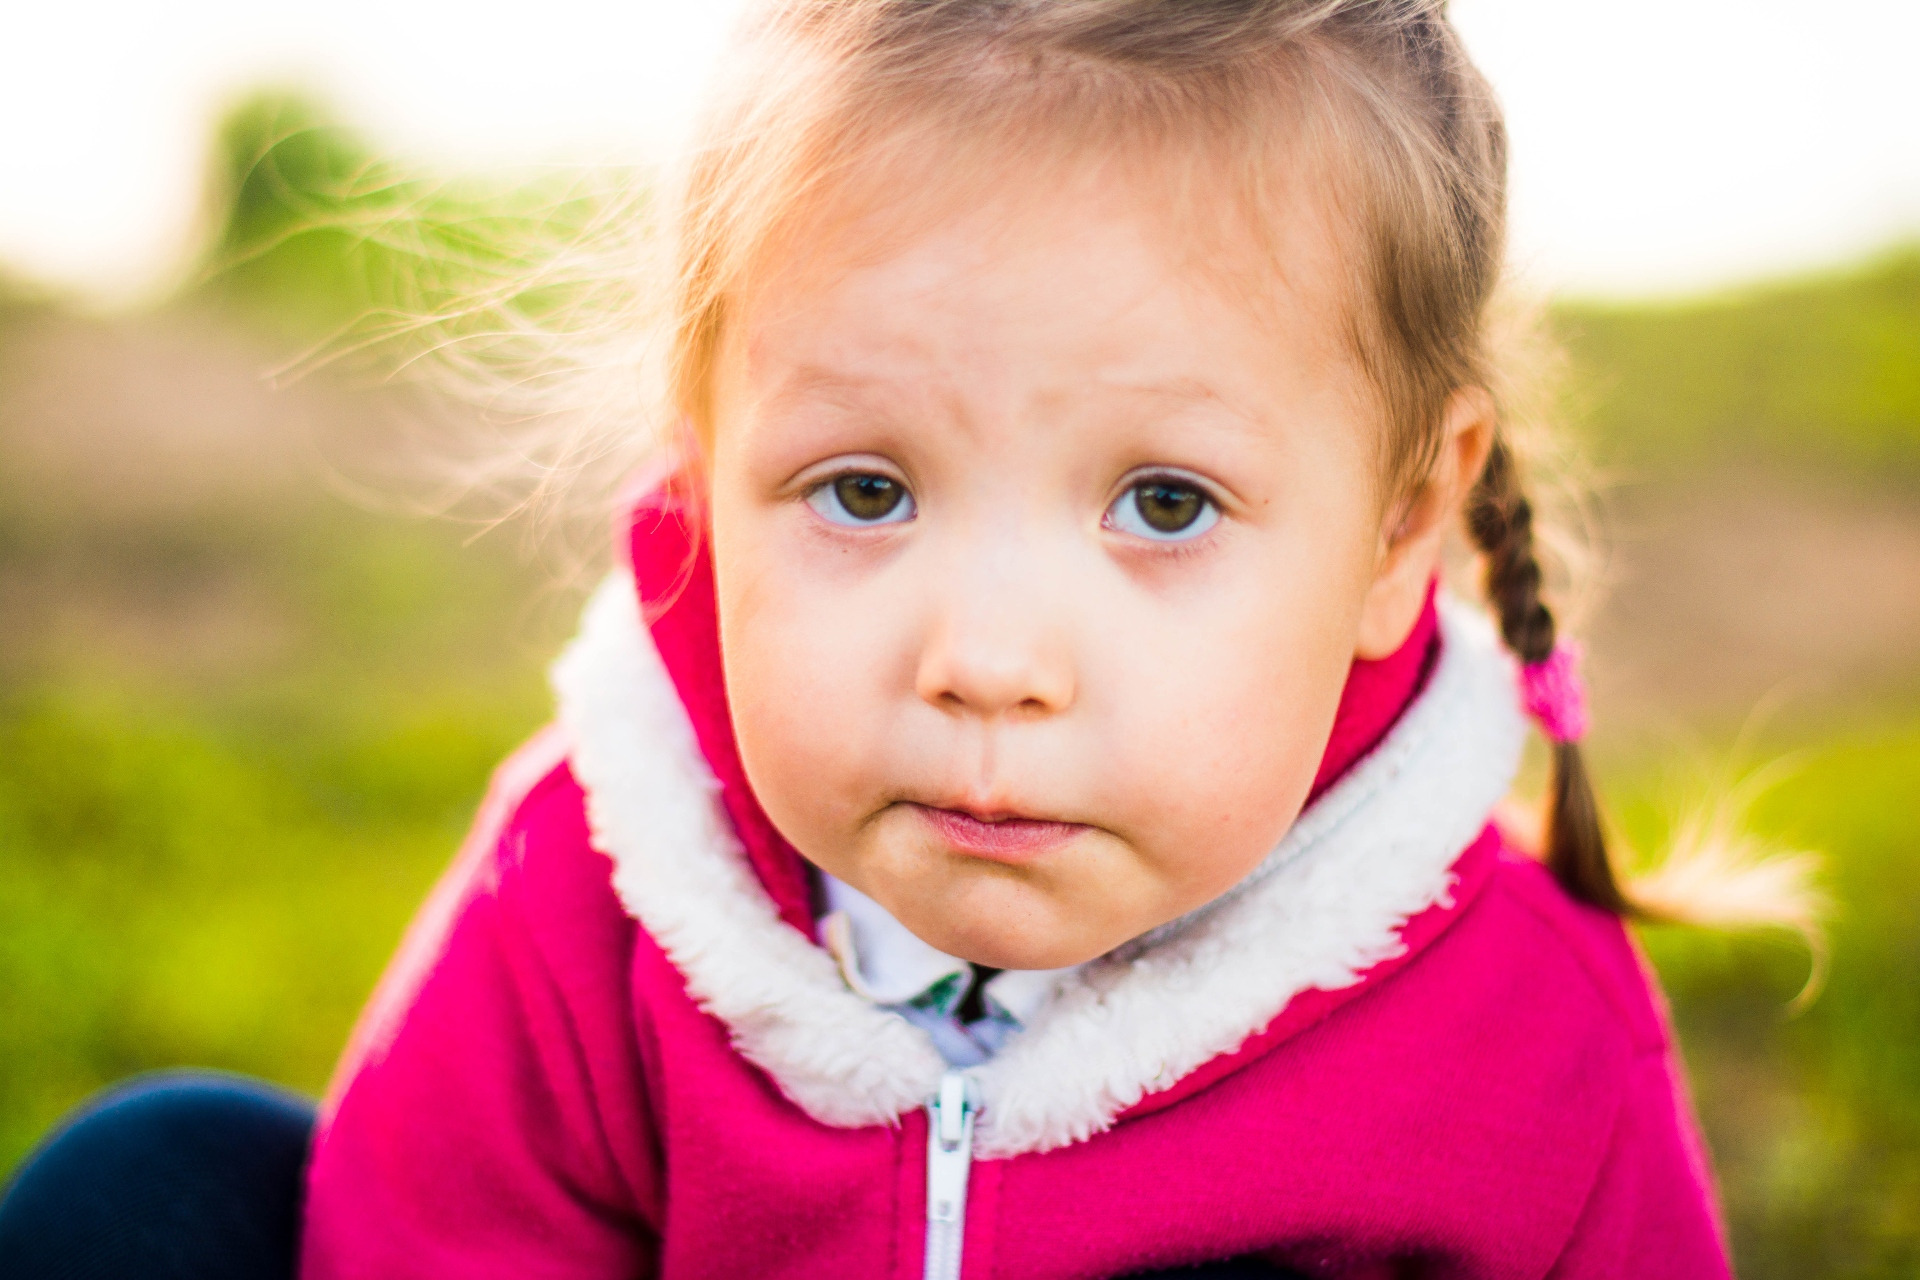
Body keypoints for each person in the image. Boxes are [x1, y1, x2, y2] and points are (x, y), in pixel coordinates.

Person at [3, 1, 1808, 1276]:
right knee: (159, 1193)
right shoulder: (601, 885)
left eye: (1163, 505)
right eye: (864, 491)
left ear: (1400, 529)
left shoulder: (1518, 1038)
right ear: (708, 482)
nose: (991, 660)